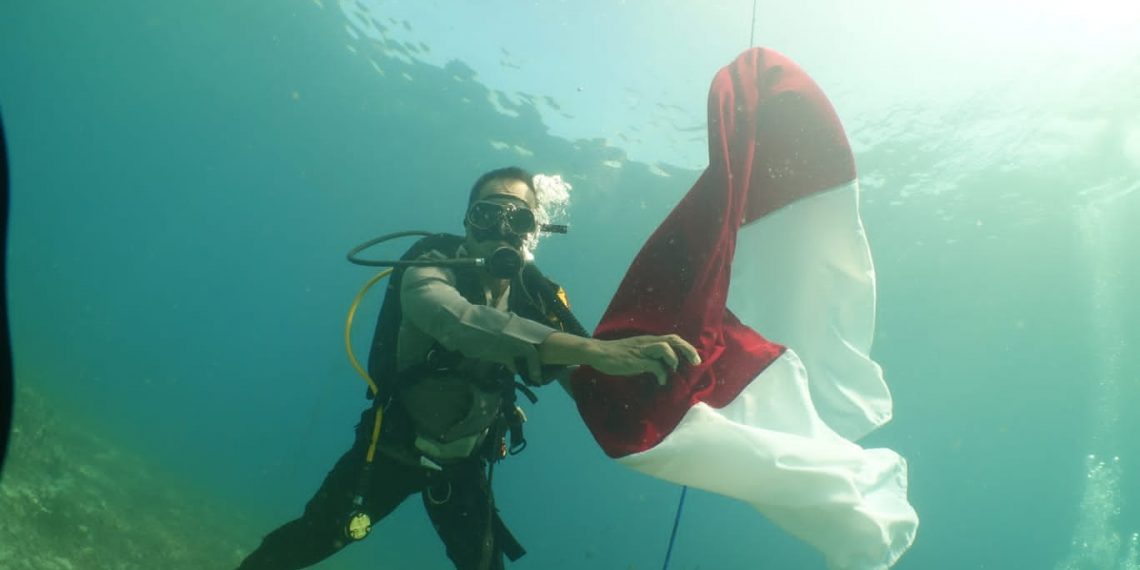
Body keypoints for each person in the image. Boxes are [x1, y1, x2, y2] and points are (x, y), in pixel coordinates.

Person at [237, 166, 700, 570]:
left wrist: (665, 411)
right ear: (466, 222)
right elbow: (457, 322)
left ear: (532, 232)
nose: (501, 228)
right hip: (390, 451)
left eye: (517, 218)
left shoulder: (532, 298)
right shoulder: (427, 268)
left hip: (463, 465)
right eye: (486, 213)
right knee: (312, 540)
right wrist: (597, 351)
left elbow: (582, 380)